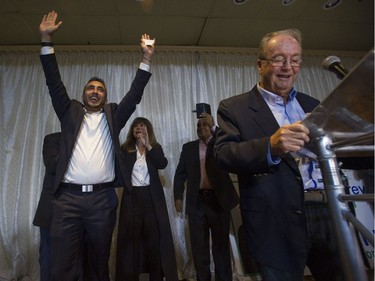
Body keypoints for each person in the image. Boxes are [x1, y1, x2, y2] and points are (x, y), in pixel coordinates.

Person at [214, 29, 343, 281]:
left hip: (327, 212)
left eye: (295, 59)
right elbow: (223, 155)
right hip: (274, 221)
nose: (288, 67)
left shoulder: (314, 105)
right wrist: (269, 147)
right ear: (260, 65)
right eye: (278, 59)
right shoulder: (234, 108)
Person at [38, 11, 155, 281]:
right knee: (63, 266)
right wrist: (46, 41)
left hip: (102, 201)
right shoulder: (69, 113)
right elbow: (53, 81)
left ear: (105, 96)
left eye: (100, 89)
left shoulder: (113, 116)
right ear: (83, 94)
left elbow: (134, 95)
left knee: (98, 262)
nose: (94, 92)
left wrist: (146, 59)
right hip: (67, 200)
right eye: (90, 88)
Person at [173, 112, 239, 281]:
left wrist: (215, 127)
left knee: (221, 246)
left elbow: (233, 145)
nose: (201, 128)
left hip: (218, 202)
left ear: (211, 127)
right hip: (197, 202)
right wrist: (178, 196)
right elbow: (180, 174)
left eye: (205, 125)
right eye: (199, 126)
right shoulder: (188, 148)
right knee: (199, 248)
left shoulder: (220, 143)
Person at [115, 117, 178, 281]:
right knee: (132, 241)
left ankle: (156, 277)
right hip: (132, 199)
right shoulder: (125, 149)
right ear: (132, 130)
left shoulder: (155, 148)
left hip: (151, 199)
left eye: (142, 125)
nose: (138, 128)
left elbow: (162, 163)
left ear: (147, 129)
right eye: (136, 126)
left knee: (153, 241)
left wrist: (148, 145)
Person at [33, 132, 60, 281]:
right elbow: (52, 165)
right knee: (48, 257)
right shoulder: (53, 139)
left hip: (83, 211)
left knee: (80, 259)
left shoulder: (92, 145)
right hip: (52, 207)